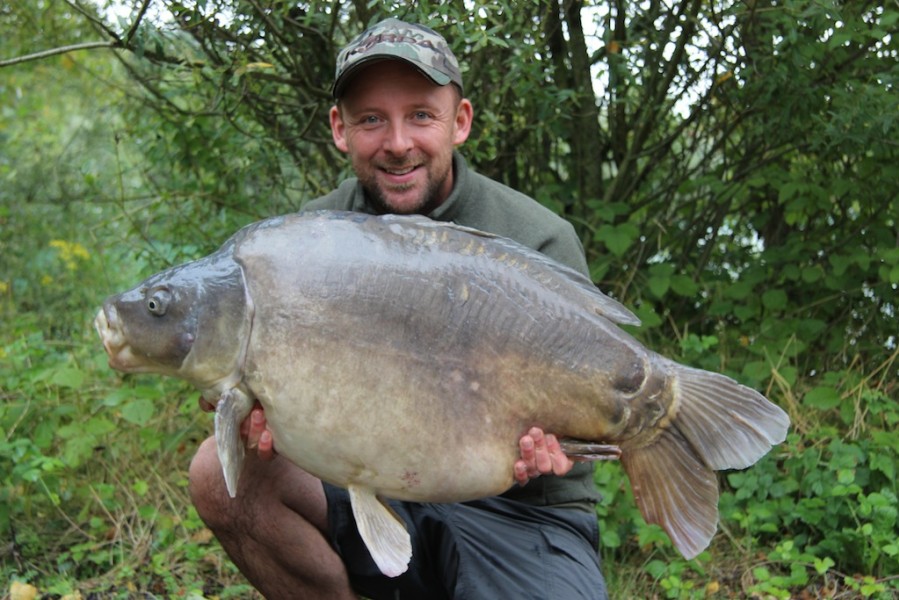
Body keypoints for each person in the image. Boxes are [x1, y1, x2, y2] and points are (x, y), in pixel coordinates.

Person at [189, 18, 609, 600]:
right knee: (218, 473)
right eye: (370, 119)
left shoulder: (536, 239)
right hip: (369, 487)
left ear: (459, 121)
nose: (398, 142)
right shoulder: (309, 243)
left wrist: (561, 439)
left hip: (520, 512)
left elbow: (582, 403)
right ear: (339, 129)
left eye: (420, 115)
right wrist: (260, 412)